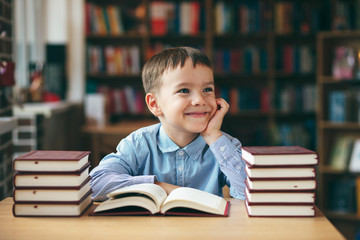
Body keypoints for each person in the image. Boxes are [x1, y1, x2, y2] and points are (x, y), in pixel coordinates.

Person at [89, 47, 247, 201]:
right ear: (155, 104)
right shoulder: (138, 144)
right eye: (184, 90)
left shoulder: (223, 146)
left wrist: (213, 136)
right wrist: (157, 186)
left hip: (207, 227)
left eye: (207, 89)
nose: (200, 100)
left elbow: (248, 192)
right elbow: (95, 184)